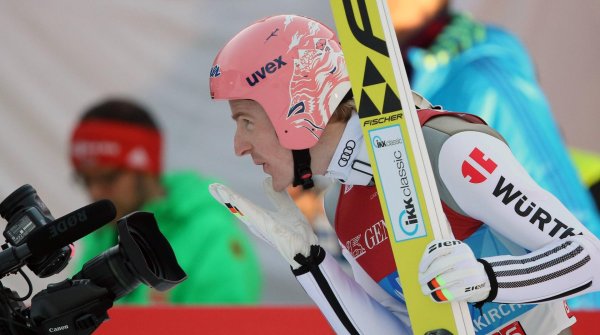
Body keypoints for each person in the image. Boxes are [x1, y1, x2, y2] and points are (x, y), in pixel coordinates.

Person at [207, 15, 600, 334]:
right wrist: (311, 264)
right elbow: (401, 330)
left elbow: (589, 260)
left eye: (246, 122)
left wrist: (488, 278)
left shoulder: (446, 149)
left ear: (293, 108)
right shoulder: (341, 205)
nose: (239, 146)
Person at [388, 0, 600, 309]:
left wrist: (583, 313)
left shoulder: (483, 76)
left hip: (547, 308)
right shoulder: (397, 72)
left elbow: (575, 234)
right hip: (463, 303)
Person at [69, 98, 261, 305]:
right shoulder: (102, 234)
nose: (95, 192)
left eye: (109, 177)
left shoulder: (210, 234)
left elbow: (228, 325)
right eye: (85, 180)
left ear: (145, 170)